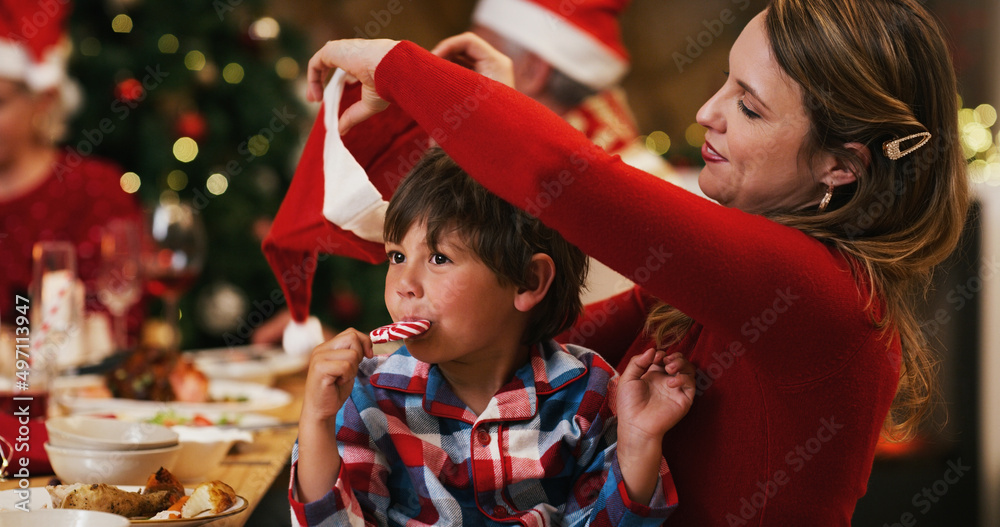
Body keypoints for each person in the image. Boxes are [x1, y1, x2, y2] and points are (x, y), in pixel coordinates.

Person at [302, 0, 968, 524]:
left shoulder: (814, 292)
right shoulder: (726, 284)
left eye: (749, 105)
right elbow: (536, 354)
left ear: (840, 164)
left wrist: (396, 65)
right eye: (724, 82)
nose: (708, 112)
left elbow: (579, 183)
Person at [289, 148, 695, 526]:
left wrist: (640, 443)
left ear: (527, 281)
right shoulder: (369, 396)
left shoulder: (589, 394)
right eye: (396, 256)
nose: (404, 284)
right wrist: (317, 421)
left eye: (438, 258)